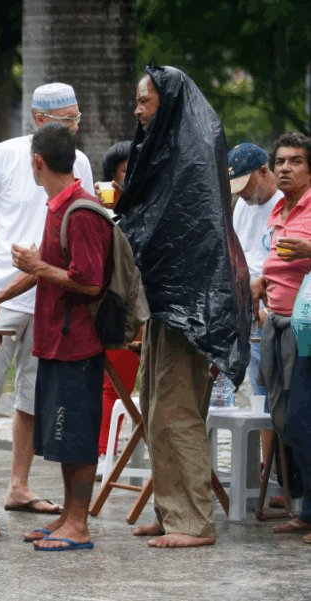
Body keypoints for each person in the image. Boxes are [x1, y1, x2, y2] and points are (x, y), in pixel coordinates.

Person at [116, 66, 251, 548]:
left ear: (167, 102)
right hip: (167, 307)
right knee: (156, 410)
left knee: (177, 414)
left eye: (144, 102)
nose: (137, 111)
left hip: (190, 312)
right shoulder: (167, 152)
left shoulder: (189, 157)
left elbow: (184, 238)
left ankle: (194, 521)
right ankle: (171, 509)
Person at [0, 122, 113, 550]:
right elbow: (43, 267)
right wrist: (0, 297)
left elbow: (90, 281)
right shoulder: (57, 205)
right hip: (55, 340)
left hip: (76, 342)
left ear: (36, 163)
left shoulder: (80, 210)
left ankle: (78, 524)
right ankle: (67, 515)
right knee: (61, 437)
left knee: (76, 436)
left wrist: (38, 267)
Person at [0, 83, 95, 515]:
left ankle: (18, 485)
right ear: (39, 119)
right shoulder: (5, 155)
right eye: (67, 120)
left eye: (77, 118)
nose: (75, 127)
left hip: (48, 294)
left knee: (29, 396)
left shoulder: (78, 161)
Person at [253, 133, 311, 540]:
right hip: (273, 321)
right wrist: (261, 281)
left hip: (305, 327)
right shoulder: (278, 208)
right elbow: (276, 259)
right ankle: (303, 509)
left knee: (301, 419)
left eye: (296, 161)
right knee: (282, 420)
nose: (286, 168)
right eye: (280, 161)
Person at [228, 143, 285, 470]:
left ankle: (282, 468)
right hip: (248, 308)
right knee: (260, 389)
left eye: (247, 186)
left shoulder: (283, 204)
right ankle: (268, 465)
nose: (244, 195)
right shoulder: (243, 205)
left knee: (280, 390)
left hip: (275, 306)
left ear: (264, 171)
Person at [95, 141, 139, 470]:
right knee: (111, 387)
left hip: (146, 314)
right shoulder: (104, 213)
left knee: (123, 387)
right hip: (114, 310)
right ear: (113, 177)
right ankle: (101, 455)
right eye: (126, 170)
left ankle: (107, 456)